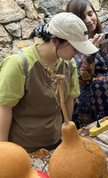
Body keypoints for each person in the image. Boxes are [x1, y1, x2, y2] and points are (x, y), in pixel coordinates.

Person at [0, 12, 98, 153]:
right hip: (22, 148)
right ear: (55, 41)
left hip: (55, 142)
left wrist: (67, 136)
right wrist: (3, 150)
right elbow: (4, 107)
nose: (78, 53)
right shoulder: (19, 63)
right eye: (75, 47)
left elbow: (70, 99)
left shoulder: (69, 64)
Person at [66, 0, 108, 128]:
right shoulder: (74, 45)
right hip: (89, 107)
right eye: (82, 17)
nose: (88, 20)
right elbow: (83, 81)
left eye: (90, 14)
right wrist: (90, 53)